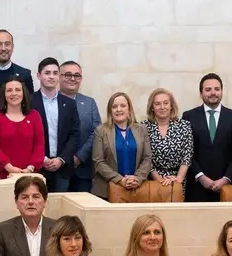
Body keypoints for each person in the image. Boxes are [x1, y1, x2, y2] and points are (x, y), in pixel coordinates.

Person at [183, 73, 232, 202]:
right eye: (208, 89)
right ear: (201, 93)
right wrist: (200, 176)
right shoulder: (189, 116)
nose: (213, 93)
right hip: (197, 187)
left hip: (228, 188)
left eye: (217, 89)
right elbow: (186, 151)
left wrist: (226, 179)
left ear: (222, 91)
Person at [31, 58, 81, 193]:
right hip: (36, 166)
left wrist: (61, 159)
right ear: (38, 76)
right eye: (47, 73)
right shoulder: (29, 102)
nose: (51, 77)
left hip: (62, 167)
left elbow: (75, 135)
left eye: (55, 73)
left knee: (60, 208)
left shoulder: (69, 104)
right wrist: (42, 158)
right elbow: (27, 136)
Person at [92, 92, 152, 200]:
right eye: (114, 106)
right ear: (110, 110)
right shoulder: (101, 131)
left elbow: (147, 157)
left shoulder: (141, 129)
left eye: (123, 106)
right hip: (106, 191)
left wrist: (137, 178)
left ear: (129, 109)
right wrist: (120, 180)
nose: (119, 109)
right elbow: (98, 161)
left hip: (137, 189)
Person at [0, 76, 44, 176]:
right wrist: (9, 167)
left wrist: (30, 168)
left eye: (17, 90)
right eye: (9, 90)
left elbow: (39, 145)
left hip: (29, 174)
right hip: (3, 174)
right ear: (4, 94)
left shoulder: (34, 115)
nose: (13, 94)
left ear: (23, 93)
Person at [58, 61, 101, 193]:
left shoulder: (89, 103)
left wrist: (79, 157)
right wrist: (62, 159)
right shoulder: (51, 101)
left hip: (82, 170)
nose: (73, 78)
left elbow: (96, 132)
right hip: (56, 169)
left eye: (77, 75)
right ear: (59, 77)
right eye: (68, 75)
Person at [143, 88, 193, 196]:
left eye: (166, 103)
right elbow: (144, 157)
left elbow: (187, 155)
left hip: (178, 180)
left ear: (171, 106)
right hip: (153, 181)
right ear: (152, 107)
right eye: (157, 104)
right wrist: (159, 179)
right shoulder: (143, 127)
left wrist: (178, 179)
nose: (162, 107)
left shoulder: (184, 126)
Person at [0, 29, 34, 97]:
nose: (3, 48)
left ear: (12, 47)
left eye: (7, 44)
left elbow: (29, 103)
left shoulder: (25, 75)